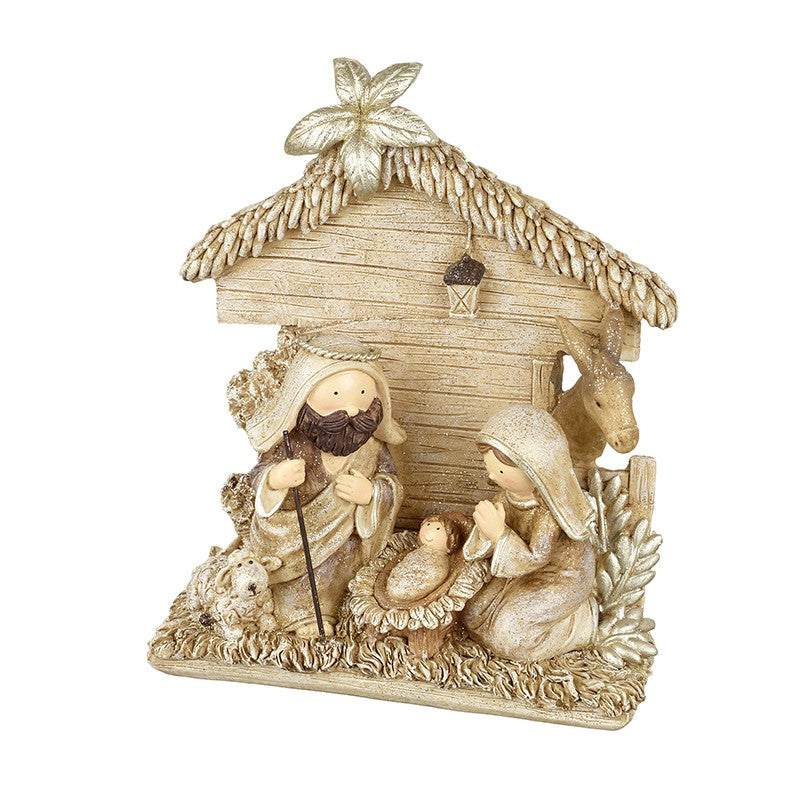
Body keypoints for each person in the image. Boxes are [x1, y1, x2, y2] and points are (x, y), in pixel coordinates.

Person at [244, 334, 405, 637]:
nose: (352, 411)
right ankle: (301, 616)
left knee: (342, 566)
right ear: (303, 394)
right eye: (336, 394)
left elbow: (391, 482)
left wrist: (372, 494)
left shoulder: (371, 446)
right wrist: (275, 479)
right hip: (292, 542)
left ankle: (346, 608)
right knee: (302, 579)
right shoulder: (292, 442)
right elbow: (259, 475)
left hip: (347, 543)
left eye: (362, 395)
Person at [462, 404, 598, 662]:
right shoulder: (507, 496)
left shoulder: (548, 512)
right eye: (489, 467)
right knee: (473, 615)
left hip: (561, 577)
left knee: (509, 637)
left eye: (501, 471)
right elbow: (496, 541)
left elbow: (537, 557)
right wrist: (487, 533)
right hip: (521, 572)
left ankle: (581, 623)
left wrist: (499, 534)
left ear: (536, 471)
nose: (492, 476)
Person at [385, 514, 469, 603]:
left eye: (438, 529)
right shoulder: (417, 551)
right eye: (428, 525)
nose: (428, 531)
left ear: (451, 540)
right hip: (399, 582)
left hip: (414, 586)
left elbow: (433, 576)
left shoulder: (439, 562)